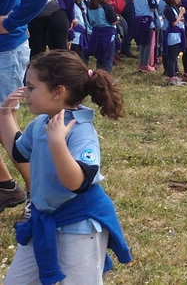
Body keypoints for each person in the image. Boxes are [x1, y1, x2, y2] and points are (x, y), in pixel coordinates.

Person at [0, 51, 132, 284]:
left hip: (79, 224)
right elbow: (19, 152)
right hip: (44, 220)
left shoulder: (80, 130)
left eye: (31, 87)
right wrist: (4, 115)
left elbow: (77, 182)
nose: (26, 93)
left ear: (58, 92)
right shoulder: (42, 122)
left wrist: (57, 142)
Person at [0, 0, 52, 210]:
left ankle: (38, 197)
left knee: (4, 123)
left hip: (4, 51)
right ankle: (7, 187)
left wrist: (9, 22)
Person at [85, 0, 118, 74]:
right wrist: (118, 19)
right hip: (107, 35)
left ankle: (98, 77)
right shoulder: (106, 6)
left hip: (95, 33)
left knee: (99, 58)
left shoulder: (89, 6)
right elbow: (113, 21)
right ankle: (106, 80)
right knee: (107, 58)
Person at [132, 0, 158, 73]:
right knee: (148, 43)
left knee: (142, 43)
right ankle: (145, 64)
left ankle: (141, 63)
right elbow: (153, 8)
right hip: (147, 20)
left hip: (138, 19)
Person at [162, 0, 185, 85]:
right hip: (172, 35)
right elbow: (174, 23)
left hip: (177, 35)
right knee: (172, 57)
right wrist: (180, 14)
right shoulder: (167, 9)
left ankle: (174, 76)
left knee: (175, 56)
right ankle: (171, 77)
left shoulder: (173, 8)